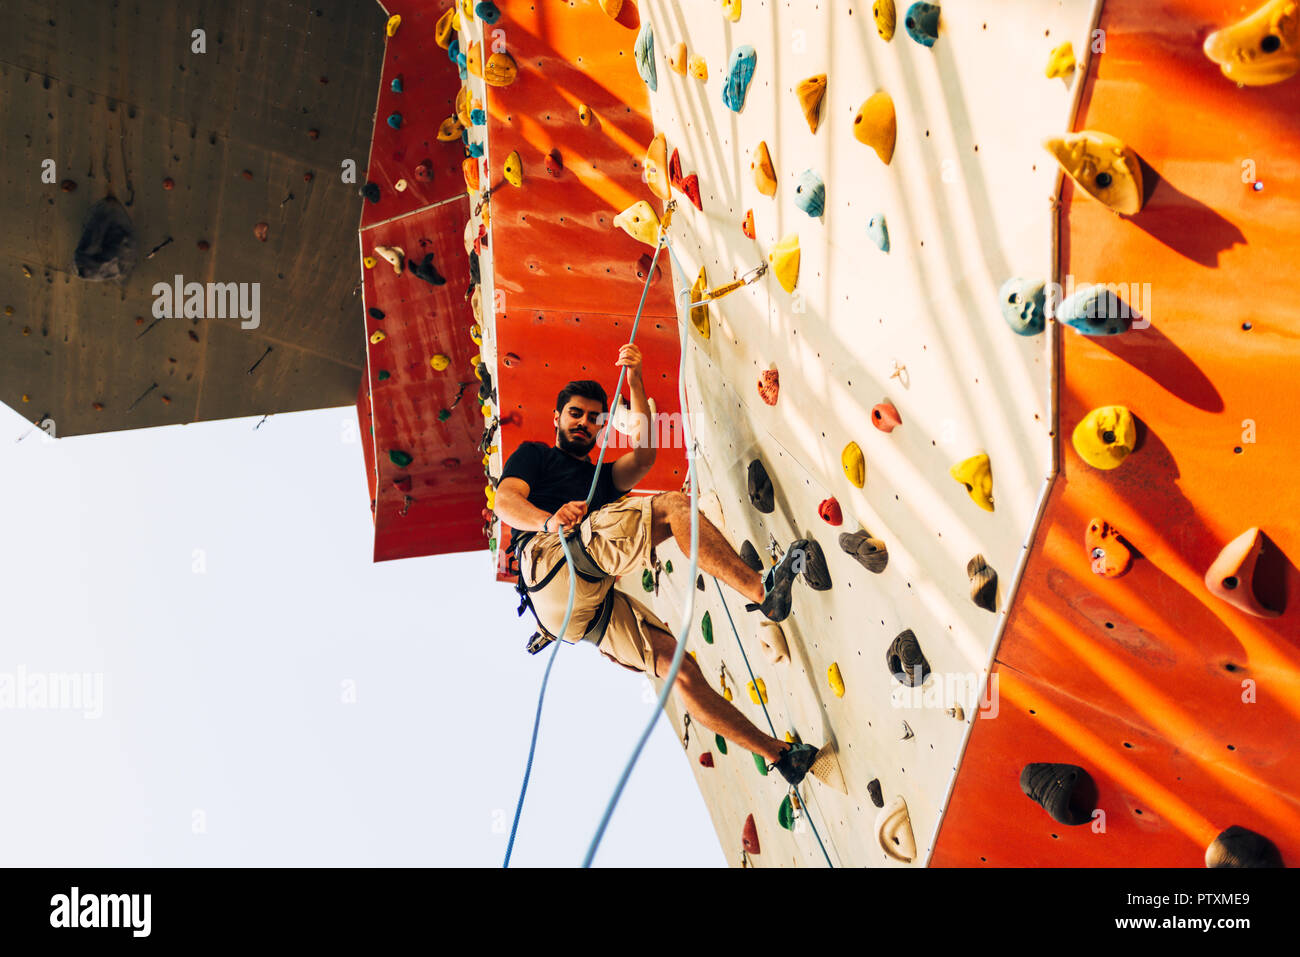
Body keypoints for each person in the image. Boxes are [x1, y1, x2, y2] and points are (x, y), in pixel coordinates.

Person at [493, 342, 820, 787]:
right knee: (671, 508)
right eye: (575, 414)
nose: (585, 423)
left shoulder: (602, 480)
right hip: (551, 561)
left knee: (679, 668)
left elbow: (644, 458)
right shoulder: (536, 455)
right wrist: (549, 522)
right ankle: (763, 592)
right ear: (557, 418)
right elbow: (505, 500)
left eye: (593, 418)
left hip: (578, 609)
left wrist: (636, 381)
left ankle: (781, 757)